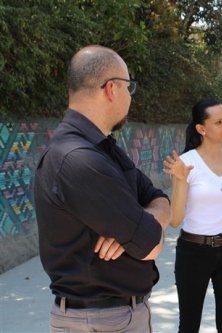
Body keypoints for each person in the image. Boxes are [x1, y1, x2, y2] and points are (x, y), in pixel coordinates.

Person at [34, 45, 171, 333]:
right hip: (101, 322)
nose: (130, 97)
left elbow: (159, 198)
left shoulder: (103, 148)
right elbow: (151, 244)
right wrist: (142, 228)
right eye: (129, 87)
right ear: (111, 88)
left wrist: (141, 221)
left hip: (115, 317)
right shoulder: (80, 159)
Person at [163, 98, 222, 333]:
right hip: (194, 253)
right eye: (218, 122)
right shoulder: (186, 163)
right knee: (189, 326)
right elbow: (175, 220)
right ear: (201, 128)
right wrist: (180, 180)